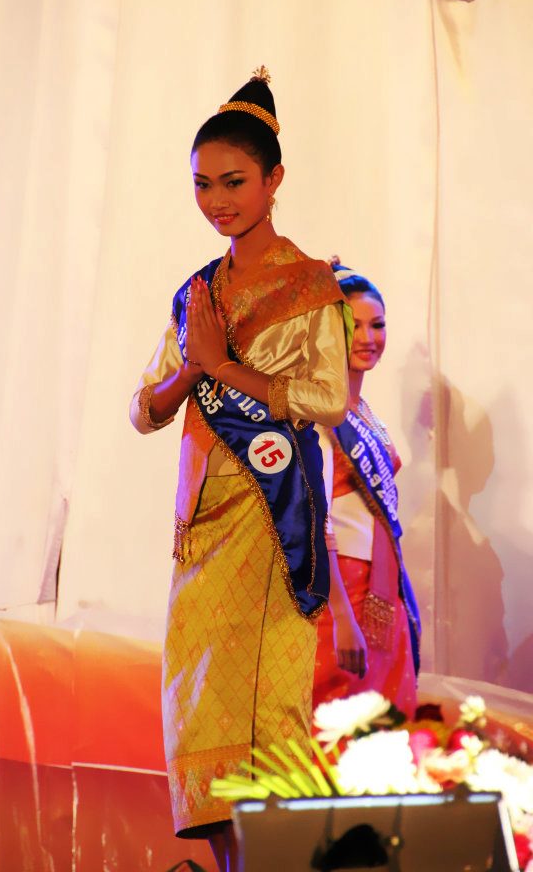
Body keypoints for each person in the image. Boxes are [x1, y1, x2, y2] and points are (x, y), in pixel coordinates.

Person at [130, 70, 356, 871]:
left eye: (233, 182)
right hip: (200, 535)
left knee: (266, 719)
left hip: (269, 528)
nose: (217, 201)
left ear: (273, 181)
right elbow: (144, 409)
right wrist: (195, 369)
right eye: (202, 184)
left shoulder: (310, 286)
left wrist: (226, 367)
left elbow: (328, 398)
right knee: (201, 716)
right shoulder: (197, 292)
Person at [312, 262, 421, 719]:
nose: (367, 337)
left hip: (381, 590)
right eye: (352, 325)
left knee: (387, 719)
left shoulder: (365, 412)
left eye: (377, 325)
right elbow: (316, 520)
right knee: (340, 718)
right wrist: (340, 613)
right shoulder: (319, 411)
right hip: (341, 593)